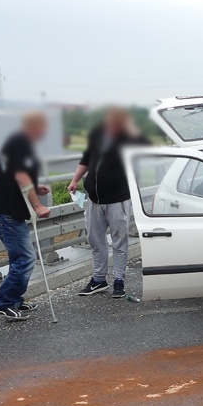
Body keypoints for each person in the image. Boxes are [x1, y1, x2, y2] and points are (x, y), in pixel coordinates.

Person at [68, 108, 149, 299]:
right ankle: (99, 279)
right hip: (93, 199)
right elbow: (86, 159)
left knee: (119, 241)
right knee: (96, 241)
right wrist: (74, 180)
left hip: (117, 199)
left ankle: (119, 280)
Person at [0, 112, 51, 321]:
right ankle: (4, 303)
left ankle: (15, 301)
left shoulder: (17, 142)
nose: (44, 132)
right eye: (43, 127)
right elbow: (21, 176)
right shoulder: (21, 143)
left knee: (19, 259)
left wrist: (35, 187)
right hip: (7, 213)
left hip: (7, 212)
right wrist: (38, 205)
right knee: (26, 258)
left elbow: (15, 176)